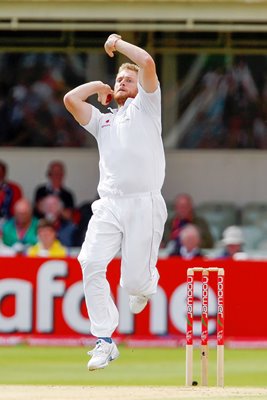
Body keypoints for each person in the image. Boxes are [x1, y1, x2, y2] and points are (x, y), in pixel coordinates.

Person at [64, 33, 167, 371]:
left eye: (128, 78)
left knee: (134, 283)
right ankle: (104, 340)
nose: (122, 81)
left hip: (144, 204)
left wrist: (118, 44)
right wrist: (97, 85)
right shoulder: (104, 120)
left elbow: (148, 64)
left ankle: (144, 285)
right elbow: (70, 100)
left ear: (140, 87)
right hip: (108, 204)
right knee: (89, 261)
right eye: (118, 78)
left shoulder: (147, 107)